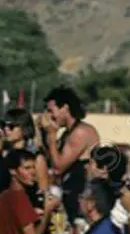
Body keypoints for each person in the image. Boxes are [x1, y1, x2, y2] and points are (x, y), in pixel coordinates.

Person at [40, 86, 100, 226]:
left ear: (65, 108)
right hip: (72, 197)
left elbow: (58, 167)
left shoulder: (80, 133)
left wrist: (52, 135)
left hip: (82, 201)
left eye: (51, 111)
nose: (49, 117)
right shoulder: (68, 133)